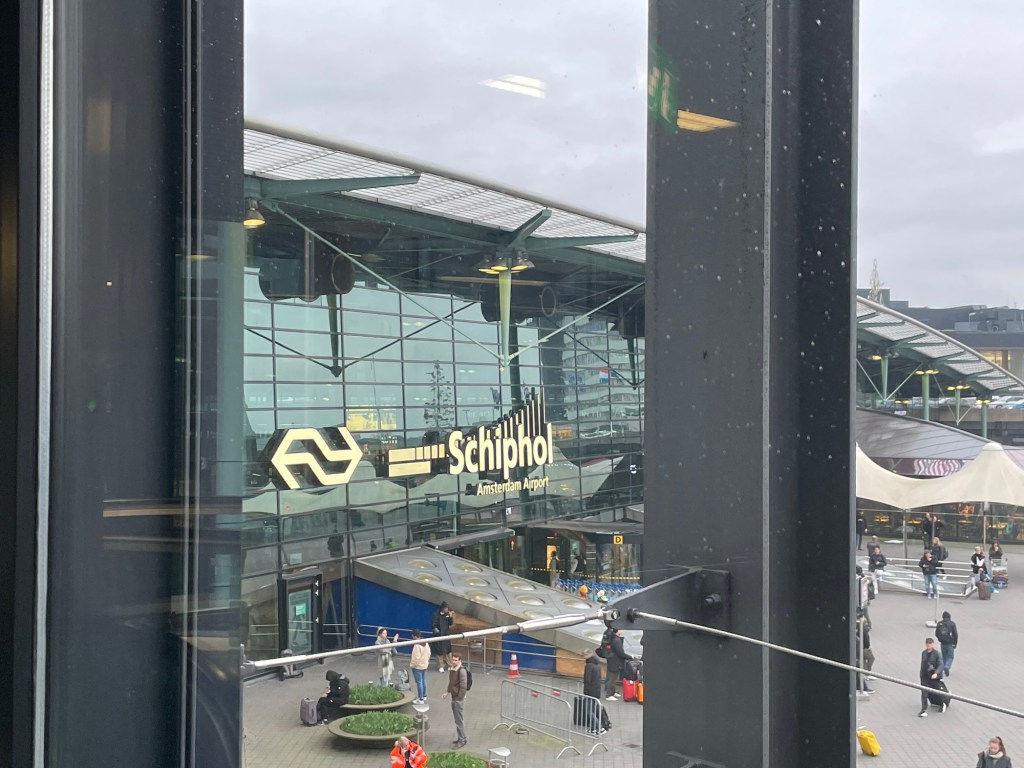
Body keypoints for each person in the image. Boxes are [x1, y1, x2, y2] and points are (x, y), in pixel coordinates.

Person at [441, 652, 469, 749]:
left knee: (459, 721)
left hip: (458, 699)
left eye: (456, 660)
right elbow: (451, 683)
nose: (453, 661)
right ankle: (462, 738)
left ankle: (462, 740)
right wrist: (447, 692)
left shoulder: (461, 671)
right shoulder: (452, 669)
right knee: (458, 720)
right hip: (454, 697)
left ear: (459, 660)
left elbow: (463, 686)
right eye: (453, 659)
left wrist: (459, 698)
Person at [603, 626, 637, 700]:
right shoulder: (616, 640)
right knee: (612, 678)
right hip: (615, 662)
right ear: (617, 631)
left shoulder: (612, 638)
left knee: (614, 677)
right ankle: (609, 695)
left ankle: (613, 692)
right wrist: (630, 657)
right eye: (620, 630)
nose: (621, 631)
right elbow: (621, 653)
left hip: (612, 660)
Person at [918, 637, 944, 717]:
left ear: (933, 644)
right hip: (925, 677)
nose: (928, 645)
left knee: (937, 691)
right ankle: (923, 709)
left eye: (930, 644)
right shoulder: (924, 653)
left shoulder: (937, 653)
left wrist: (936, 673)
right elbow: (922, 665)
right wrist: (921, 675)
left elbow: (941, 665)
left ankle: (942, 704)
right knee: (924, 693)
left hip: (934, 677)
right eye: (927, 644)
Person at [583, 652, 606, 734]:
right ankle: (593, 728)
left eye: (584, 655)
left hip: (590, 691)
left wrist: (586, 691)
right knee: (592, 710)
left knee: (589, 711)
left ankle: (600, 727)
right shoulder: (597, 665)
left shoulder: (588, 666)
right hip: (596, 690)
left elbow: (587, 680)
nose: (583, 657)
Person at [431, 601, 454, 672]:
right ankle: (440, 666)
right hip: (439, 635)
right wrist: (439, 633)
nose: (447, 609)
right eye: (446, 608)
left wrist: (451, 617)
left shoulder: (447, 614)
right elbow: (434, 626)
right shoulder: (436, 614)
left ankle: (450, 665)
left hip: (446, 634)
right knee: (439, 651)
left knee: (447, 651)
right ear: (442, 608)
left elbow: (450, 623)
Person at [409, 629, 431, 704]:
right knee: (423, 680)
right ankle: (424, 695)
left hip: (418, 667)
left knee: (419, 682)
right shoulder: (426, 642)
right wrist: (426, 661)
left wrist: (412, 665)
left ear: (414, 636)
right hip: (424, 665)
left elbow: (415, 658)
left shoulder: (416, 646)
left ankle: (420, 699)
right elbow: (429, 653)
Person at [935, 610, 959, 677]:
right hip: (950, 643)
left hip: (943, 643)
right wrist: (955, 643)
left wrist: (940, 639)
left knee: (944, 656)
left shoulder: (939, 623)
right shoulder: (952, 624)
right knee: (950, 656)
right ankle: (947, 666)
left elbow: (936, 634)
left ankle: (944, 667)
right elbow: (955, 634)